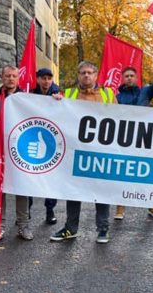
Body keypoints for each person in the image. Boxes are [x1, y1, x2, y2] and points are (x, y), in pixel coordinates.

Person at [50, 61, 116, 244]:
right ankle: (71, 228)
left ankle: (103, 229)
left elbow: (120, 120)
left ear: (96, 75)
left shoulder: (108, 94)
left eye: (90, 72)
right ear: (78, 75)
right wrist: (54, 102)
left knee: (101, 191)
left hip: (101, 152)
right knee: (73, 191)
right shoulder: (68, 94)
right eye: (83, 72)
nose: (86, 76)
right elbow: (55, 115)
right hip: (76, 152)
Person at [0, 66, 31, 240]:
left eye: (14, 76)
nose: (11, 79)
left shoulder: (27, 99)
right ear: (1, 77)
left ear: (18, 78)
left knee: (22, 188)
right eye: (7, 76)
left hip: (20, 152)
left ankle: (23, 225)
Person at [114, 56, 153, 220]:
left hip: (143, 139)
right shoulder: (117, 97)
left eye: (131, 76)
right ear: (122, 79)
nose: (129, 78)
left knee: (145, 172)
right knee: (124, 173)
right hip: (124, 139)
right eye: (126, 76)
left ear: (136, 78)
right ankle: (120, 208)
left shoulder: (145, 91)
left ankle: (151, 205)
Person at [30, 68, 61, 225]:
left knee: (51, 179)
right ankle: (26, 210)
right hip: (32, 137)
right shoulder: (30, 94)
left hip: (51, 142)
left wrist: (60, 102)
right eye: (43, 78)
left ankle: (50, 210)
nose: (46, 81)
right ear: (38, 79)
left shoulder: (58, 95)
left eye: (49, 78)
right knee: (28, 175)